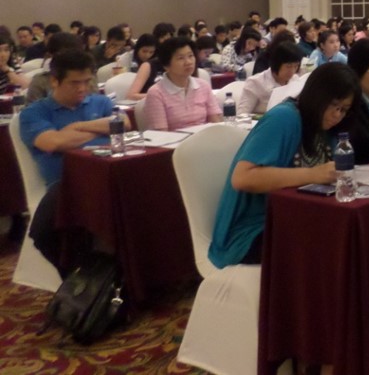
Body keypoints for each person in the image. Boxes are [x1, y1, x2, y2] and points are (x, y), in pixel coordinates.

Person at [209, 63, 359, 269]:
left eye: (344, 110)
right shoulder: (284, 118)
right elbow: (242, 178)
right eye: (334, 106)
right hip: (253, 230)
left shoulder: (329, 129)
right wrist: (312, 174)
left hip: (299, 218)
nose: (337, 115)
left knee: (351, 235)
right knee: (329, 245)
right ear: (317, 96)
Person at [18, 49, 126, 273]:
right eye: (74, 83)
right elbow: (53, 142)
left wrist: (77, 127)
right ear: (54, 81)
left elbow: (123, 123)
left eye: (87, 81)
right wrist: (101, 129)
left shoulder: (100, 102)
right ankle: (85, 276)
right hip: (66, 184)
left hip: (110, 175)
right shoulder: (34, 113)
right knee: (44, 231)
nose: (82, 88)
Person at [144, 37, 222, 131]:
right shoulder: (156, 93)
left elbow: (216, 124)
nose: (188, 62)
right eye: (180, 58)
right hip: (174, 140)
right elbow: (161, 134)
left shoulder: (203, 86)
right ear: (166, 65)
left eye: (190, 56)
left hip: (204, 138)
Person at [237, 42, 304, 115]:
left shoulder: (295, 80)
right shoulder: (256, 82)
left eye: (296, 66)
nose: (292, 71)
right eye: (288, 66)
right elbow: (241, 114)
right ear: (276, 64)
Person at [124, 33, 161, 100]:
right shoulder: (126, 58)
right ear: (138, 48)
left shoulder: (155, 62)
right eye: (144, 51)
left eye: (151, 52)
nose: (147, 55)